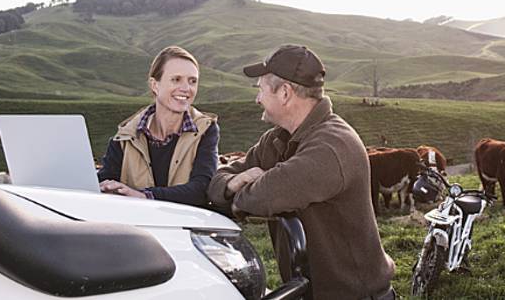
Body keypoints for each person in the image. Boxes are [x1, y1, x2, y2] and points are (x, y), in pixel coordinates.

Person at [207, 45, 396, 300]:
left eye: (260, 89)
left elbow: (266, 196)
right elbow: (217, 180)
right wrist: (232, 184)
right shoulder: (275, 140)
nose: (257, 98)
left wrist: (236, 202)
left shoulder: (332, 146)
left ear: (285, 92)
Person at [98, 46, 218, 205]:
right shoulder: (125, 135)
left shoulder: (205, 129)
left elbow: (202, 189)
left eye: (192, 81)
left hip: (184, 225)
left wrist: (144, 196)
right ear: (155, 85)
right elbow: (104, 182)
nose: (186, 88)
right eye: (176, 79)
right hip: (135, 226)